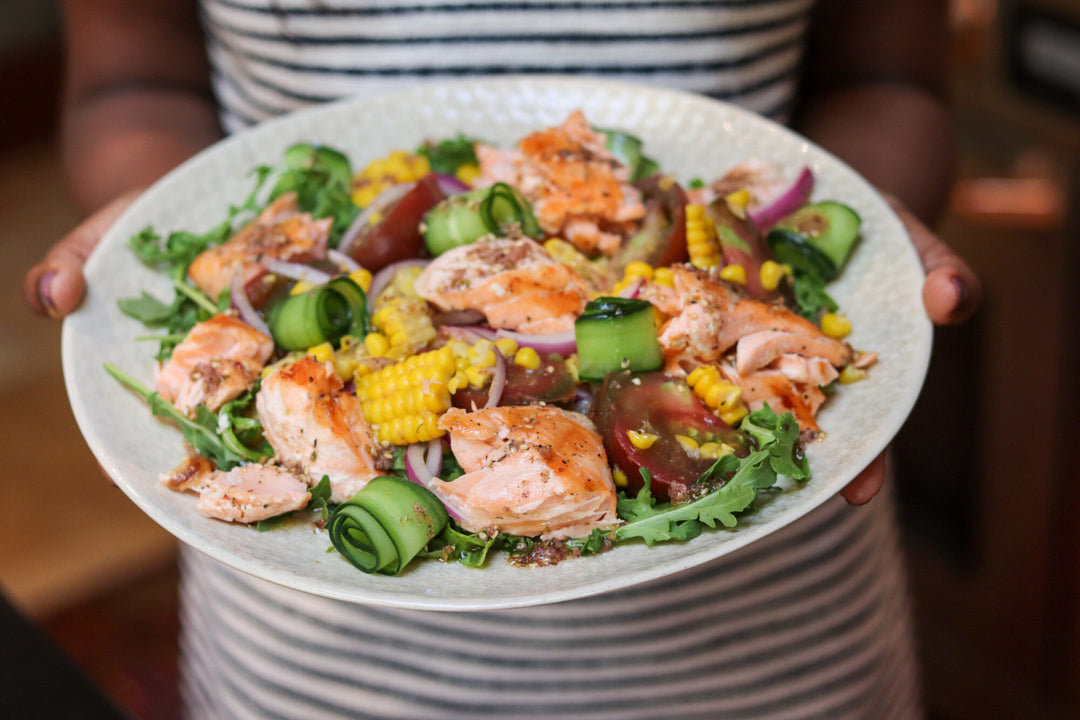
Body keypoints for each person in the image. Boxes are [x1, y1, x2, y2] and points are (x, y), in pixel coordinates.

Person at [25, 0, 981, 717]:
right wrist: (156, 208)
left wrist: (860, 241)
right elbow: (130, 83)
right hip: (319, 650)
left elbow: (889, 79)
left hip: (768, 628)